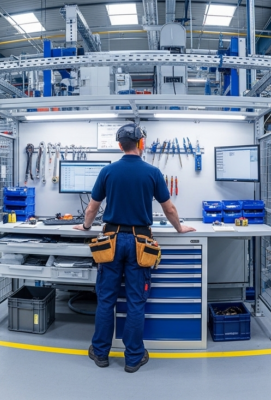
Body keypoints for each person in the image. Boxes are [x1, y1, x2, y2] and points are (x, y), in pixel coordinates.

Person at [73, 123, 195, 373]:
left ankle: (100, 353)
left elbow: (92, 208)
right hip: (141, 243)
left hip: (111, 241)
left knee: (106, 299)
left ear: (119, 145)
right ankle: (133, 358)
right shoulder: (152, 172)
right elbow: (169, 208)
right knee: (136, 301)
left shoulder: (108, 171)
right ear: (141, 143)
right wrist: (179, 229)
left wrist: (85, 227)